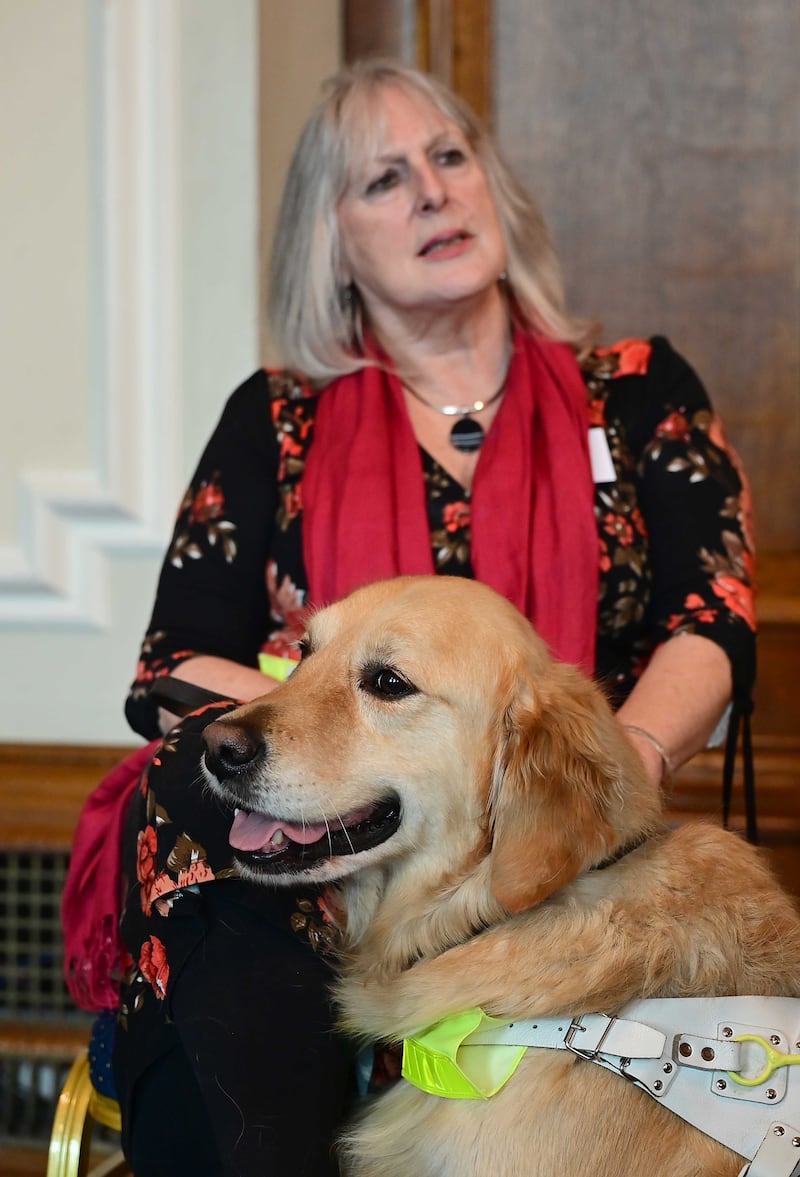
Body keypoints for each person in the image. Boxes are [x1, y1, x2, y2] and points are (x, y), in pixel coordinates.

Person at [111, 58, 755, 1176]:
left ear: (490, 190)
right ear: (333, 241)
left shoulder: (638, 388)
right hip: (331, 862)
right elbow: (174, 658)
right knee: (186, 788)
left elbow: (711, 618)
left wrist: (604, 773)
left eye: (448, 160)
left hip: (564, 825)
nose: (429, 192)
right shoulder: (276, 420)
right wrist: (316, 755)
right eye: (382, 180)